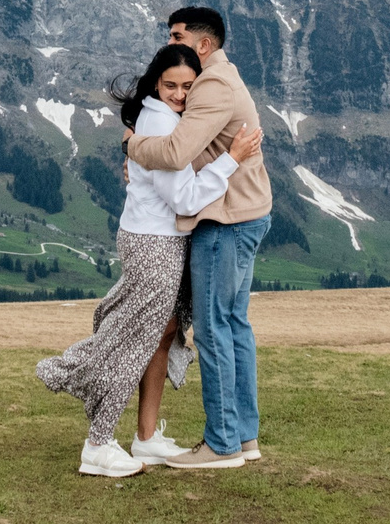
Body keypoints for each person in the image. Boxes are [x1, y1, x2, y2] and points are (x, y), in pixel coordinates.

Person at [34, 43, 265, 477]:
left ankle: (144, 438)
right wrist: (232, 160)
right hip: (153, 244)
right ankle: (98, 443)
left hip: (160, 240)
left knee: (163, 333)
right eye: (170, 85)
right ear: (155, 84)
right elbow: (186, 197)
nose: (180, 94)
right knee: (136, 340)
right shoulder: (159, 121)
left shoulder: (167, 119)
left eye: (188, 86)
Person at [125, 5, 271, 470]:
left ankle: (222, 443)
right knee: (234, 325)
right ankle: (243, 437)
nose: (171, 44)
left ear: (201, 45)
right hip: (246, 214)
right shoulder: (224, 77)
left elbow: (173, 152)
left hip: (225, 220)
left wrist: (130, 146)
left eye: (177, 36)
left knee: (212, 329)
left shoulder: (210, 84)